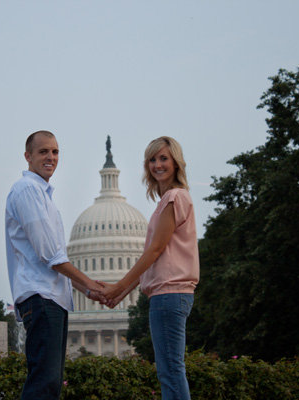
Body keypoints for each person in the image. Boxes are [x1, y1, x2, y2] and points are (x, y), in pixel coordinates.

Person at [5, 130, 106, 400]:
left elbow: (54, 257)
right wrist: (92, 285)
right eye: (43, 152)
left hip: (51, 297)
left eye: (55, 151)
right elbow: (51, 255)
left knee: (49, 383)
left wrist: (86, 291)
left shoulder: (42, 194)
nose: (50, 157)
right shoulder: (27, 190)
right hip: (41, 296)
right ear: (28, 156)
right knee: (44, 382)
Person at [101, 136, 199, 400]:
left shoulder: (173, 198)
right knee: (170, 369)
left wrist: (120, 287)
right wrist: (121, 293)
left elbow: (154, 251)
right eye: (153, 159)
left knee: (170, 370)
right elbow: (156, 253)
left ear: (176, 162)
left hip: (169, 294)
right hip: (170, 294)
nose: (158, 165)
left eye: (163, 158)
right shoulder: (170, 199)